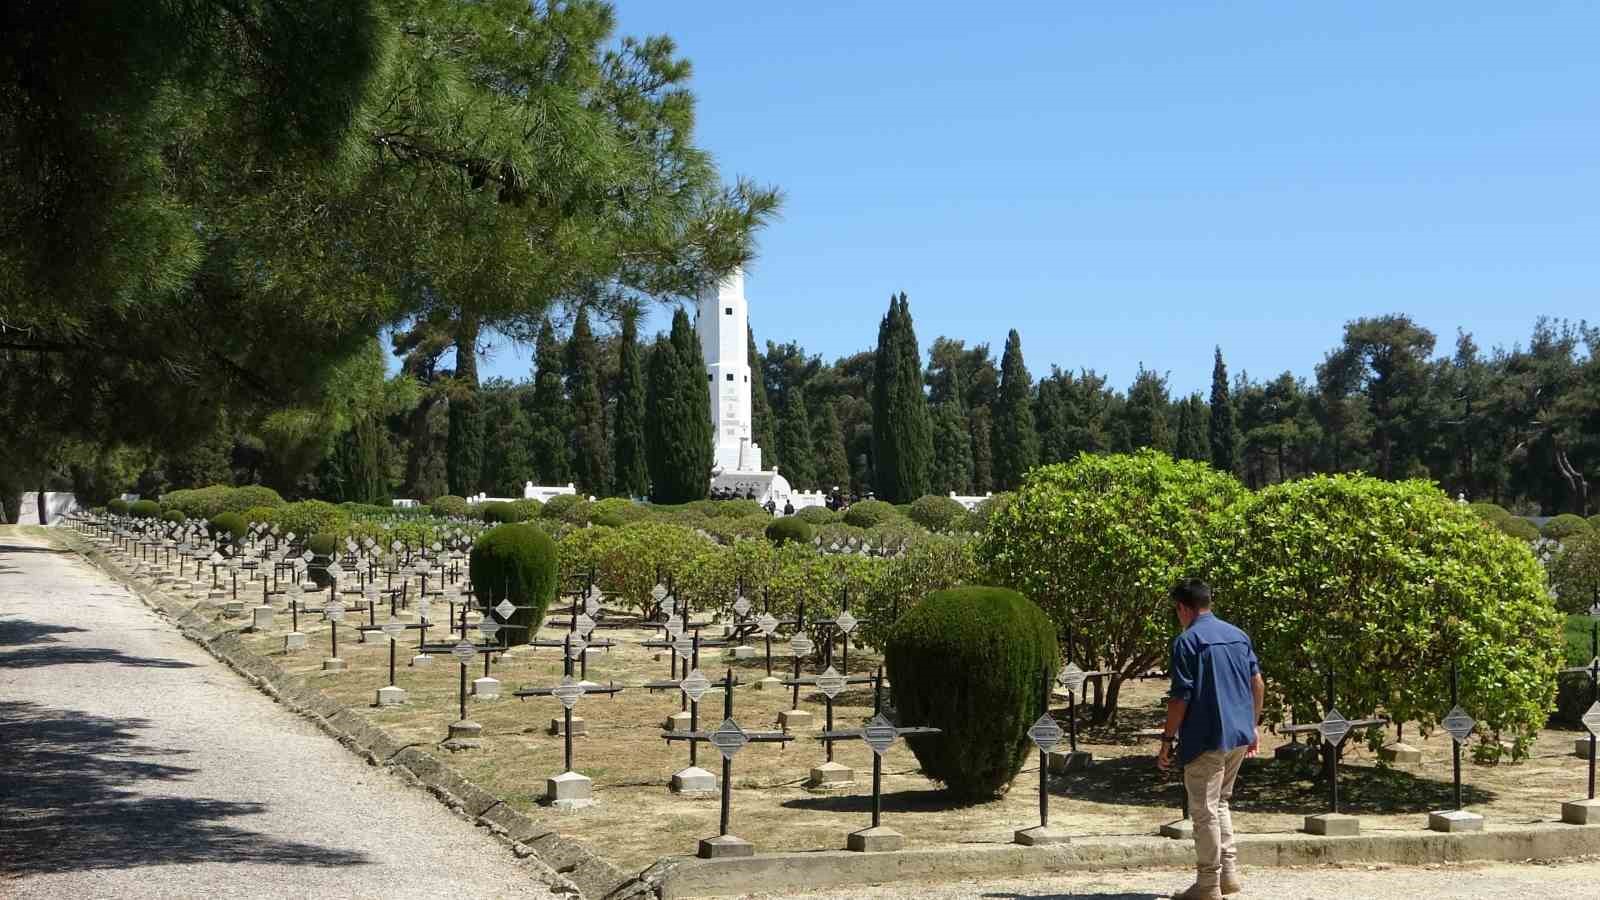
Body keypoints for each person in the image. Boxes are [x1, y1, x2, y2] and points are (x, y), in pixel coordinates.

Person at [1157, 579, 1264, 900]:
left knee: (1203, 811)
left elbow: (1180, 698)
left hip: (1206, 737)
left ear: (1182, 608)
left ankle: (1207, 885)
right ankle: (1228, 875)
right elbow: (1257, 683)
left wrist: (1167, 739)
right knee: (1220, 804)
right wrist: (1253, 724)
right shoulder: (1237, 634)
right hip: (1239, 736)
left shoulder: (1186, 641)